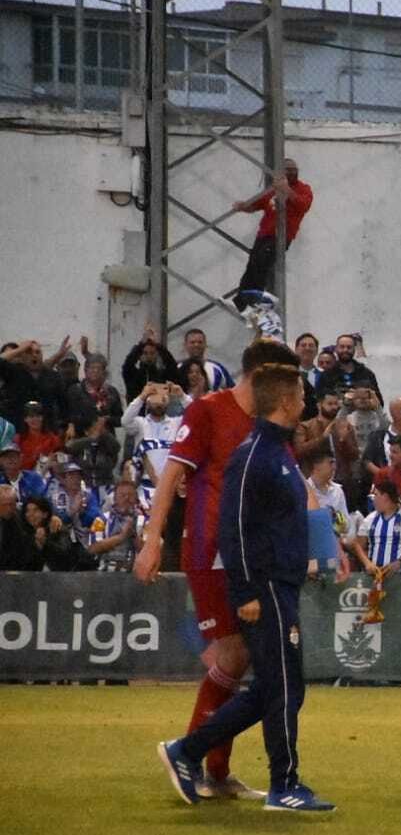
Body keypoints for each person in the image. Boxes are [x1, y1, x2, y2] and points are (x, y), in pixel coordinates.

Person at [157, 363, 333, 811]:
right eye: (300, 396)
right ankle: (283, 784)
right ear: (286, 402)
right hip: (267, 584)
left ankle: (189, 751)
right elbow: (232, 530)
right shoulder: (253, 455)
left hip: (282, 581)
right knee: (283, 687)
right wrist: (246, 592)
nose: (305, 404)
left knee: (277, 686)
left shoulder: (276, 452)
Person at [134, 337, 300, 798]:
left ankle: (214, 770)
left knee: (244, 658)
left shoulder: (268, 424)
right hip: (210, 549)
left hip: (250, 556)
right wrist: (153, 540)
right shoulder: (209, 409)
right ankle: (190, 757)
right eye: (290, 379)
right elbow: (171, 473)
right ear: (266, 374)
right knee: (234, 656)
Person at [227, 160, 312, 305]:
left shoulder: (303, 189)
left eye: (293, 169)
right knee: (252, 264)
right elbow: (256, 205)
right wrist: (243, 207)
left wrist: (287, 190)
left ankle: (256, 298)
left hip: (282, 235)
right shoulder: (273, 190)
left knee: (262, 262)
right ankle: (241, 300)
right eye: (287, 169)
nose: (291, 172)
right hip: (264, 233)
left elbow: (303, 205)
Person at [123, 380, 187, 510]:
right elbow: (125, 421)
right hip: (145, 489)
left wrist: (181, 395)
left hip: (171, 488)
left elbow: (196, 415)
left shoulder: (176, 423)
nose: (158, 403)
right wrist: (142, 396)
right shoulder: (140, 424)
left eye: (163, 399)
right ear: (148, 401)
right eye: (154, 398)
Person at [354, 480, 401, 577]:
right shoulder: (369, 519)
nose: (373, 500)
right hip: (373, 578)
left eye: (376, 495)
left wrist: (400, 562)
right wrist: (367, 563)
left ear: (385, 497)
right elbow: (359, 545)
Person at [88, 479, 143, 572]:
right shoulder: (101, 520)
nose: (126, 498)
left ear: (136, 499)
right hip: (106, 574)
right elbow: (93, 548)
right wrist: (121, 537)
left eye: (130, 495)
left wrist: (133, 535)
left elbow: (148, 549)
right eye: (122, 495)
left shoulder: (144, 521)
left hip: (135, 575)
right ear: (114, 499)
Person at [121, 326, 181, 401]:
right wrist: (141, 345)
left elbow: (172, 367)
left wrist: (159, 346)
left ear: (156, 355)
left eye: (152, 353)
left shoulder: (162, 375)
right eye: (145, 353)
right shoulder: (132, 375)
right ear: (139, 355)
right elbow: (128, 364)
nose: (149, 356)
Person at [315, 334, 381, 403]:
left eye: (349, 347)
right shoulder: (326, 375)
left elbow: (379, 402)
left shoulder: (367, 374)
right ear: (336, 349)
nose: (345, 350)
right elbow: (320, 401)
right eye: (342, 347)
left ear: (354, 349)